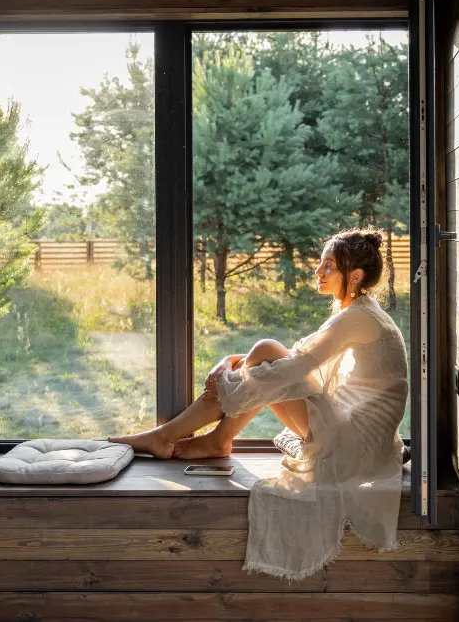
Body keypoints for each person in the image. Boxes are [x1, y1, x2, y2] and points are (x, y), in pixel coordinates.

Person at [108, 228, 410, 580]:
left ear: (355, 277)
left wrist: (227, 373)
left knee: (267, 356)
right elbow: (297, 359)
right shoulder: (361, 311)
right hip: (357, 438)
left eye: (328, 266)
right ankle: (201, 438)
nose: (318, 272)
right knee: (266, 354)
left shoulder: (358, 316)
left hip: (352, 447)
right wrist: (230, 363)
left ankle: (173, 437)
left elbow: (293, 367)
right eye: (321, 263)